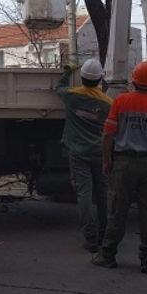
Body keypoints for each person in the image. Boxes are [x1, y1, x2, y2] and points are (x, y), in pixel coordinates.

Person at [92, 61, 147, 273]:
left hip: (124, 164)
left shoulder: (120, 102)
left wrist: (106, 161)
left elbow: (108, 135)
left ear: (133, 80)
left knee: (117, 211)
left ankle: (107, 255)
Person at [57, 58, 112, 253]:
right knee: (103, 194)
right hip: (99, 153)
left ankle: (90, 237)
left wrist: (66, 72)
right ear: (99, 80)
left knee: (84, 195)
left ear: (81, 78)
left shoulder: (72, 96)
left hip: (78, 153)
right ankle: (105, 235)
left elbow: (59, 88)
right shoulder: (107, 103)